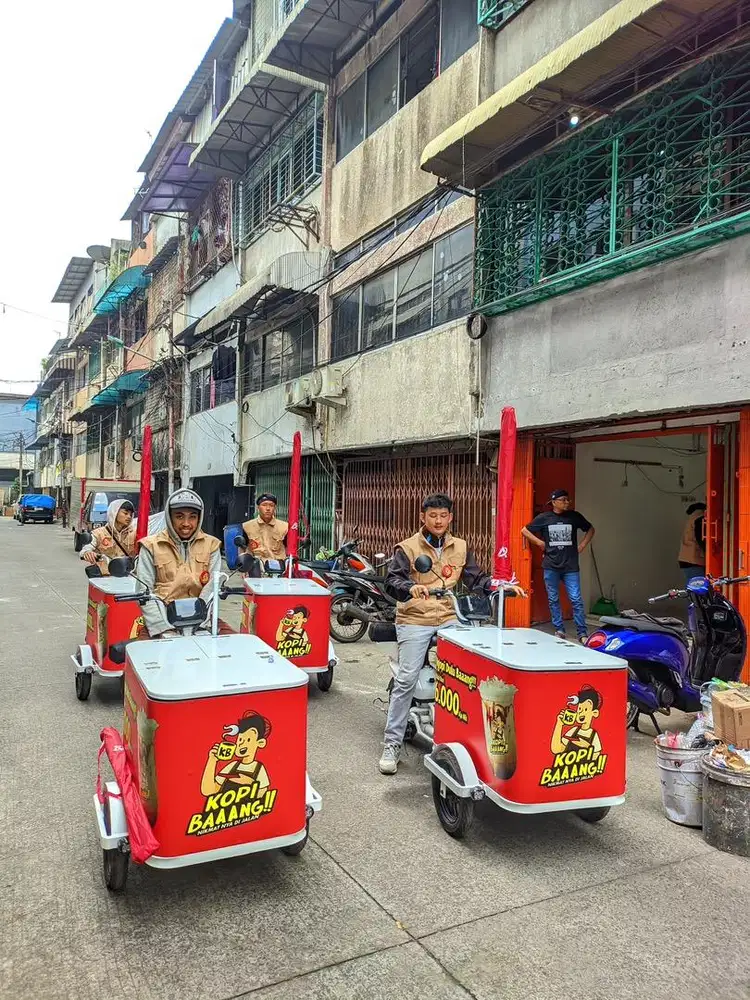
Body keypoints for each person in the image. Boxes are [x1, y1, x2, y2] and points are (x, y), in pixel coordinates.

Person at [379, 493, 520, 775]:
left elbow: (475, 578)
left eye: (443, 515)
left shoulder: (461, 547)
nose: (438, 520)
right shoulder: (406, 548)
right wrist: (410, 588)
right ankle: (391, 744)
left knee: (468, 671)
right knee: (406, 678)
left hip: (448, 616)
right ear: (423, 517)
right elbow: (392, 580)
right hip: (415, 617)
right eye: (433, 515)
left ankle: (464, 735)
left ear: (451, 518)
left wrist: (498, 586)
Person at [136, 488, 223, 638]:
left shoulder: (212, 545)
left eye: (193, 517)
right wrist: (162, 628)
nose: (186, 523)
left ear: (199, 518)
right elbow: (143, 591)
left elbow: (212, 588)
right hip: (163, 621)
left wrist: (202, 623)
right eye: (179, 516)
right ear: (169, 517)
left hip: (202, 621)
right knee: (139, 657)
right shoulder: (151, 546)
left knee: (236, 650)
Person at [521, 489, 594, 643]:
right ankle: (559, 629)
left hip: (571, 566)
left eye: (568, 500)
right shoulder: (544, 518)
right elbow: (525, 530)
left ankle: (582, 633)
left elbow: (590, 529)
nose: (566, 502)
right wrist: (539, 542)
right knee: (553, 599)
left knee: (576, 599)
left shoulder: (574, 517)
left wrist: (582, 545)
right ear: (553, 502)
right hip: (551, 566)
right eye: (563, 500)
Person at [80, 499, 137, 573]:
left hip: (129, 577)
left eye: (131, 514)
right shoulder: (99, 533)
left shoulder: (135, 533)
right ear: (114, 513)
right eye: (125, 513)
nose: (129, 517)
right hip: (104, 578)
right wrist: (88, 553)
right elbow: (85, 550)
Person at [236, 493, 288, 563]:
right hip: (255, 565)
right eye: (264, 505)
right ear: (258, 507)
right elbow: (242, 547)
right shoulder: (247, 526)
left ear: (275, 508)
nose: (268, 509)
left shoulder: (284, 527)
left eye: (271, 505)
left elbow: (288, 548)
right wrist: (243, 565)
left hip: (278, 566)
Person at [679, 502, 706, 585]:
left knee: (695, 590)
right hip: (694, 560)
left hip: (688, 559)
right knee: (699, 591)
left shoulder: (693, 516)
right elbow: (701, 539)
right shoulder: (699, 517)